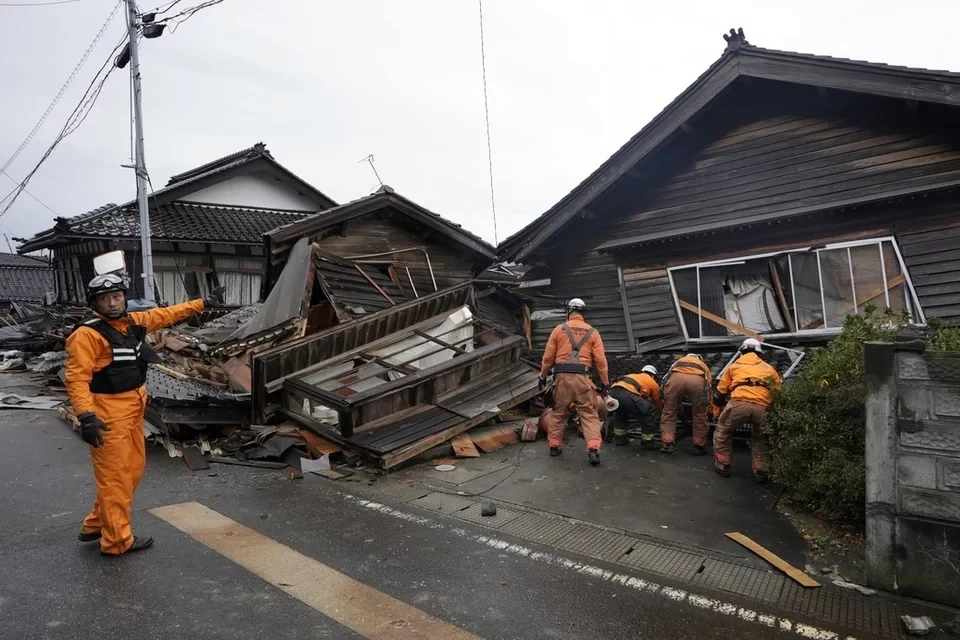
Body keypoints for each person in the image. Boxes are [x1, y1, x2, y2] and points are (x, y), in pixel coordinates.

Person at [65, 273, 224, 556]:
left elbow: (167, 314)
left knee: (133, 471)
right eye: (104, 299)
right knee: (115, 478)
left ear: (124, 297)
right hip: (107, 412)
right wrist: (86, 417)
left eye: (116, 297)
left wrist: (201, 303)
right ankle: (116, 542)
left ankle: (96, 524)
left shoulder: (132, 323)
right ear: (95, 303)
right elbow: (77, 379)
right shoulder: (86, 335)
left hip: (134, 407)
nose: (112, 304)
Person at [538, 298, 608, 466]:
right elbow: (601, 361)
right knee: (589, 415)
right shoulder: (593, 332)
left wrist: (542, 375)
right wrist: (605, 382)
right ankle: (593, 450)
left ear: (568, 311)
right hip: (584, 379)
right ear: (583, 312)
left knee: (559, 412)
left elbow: (548, 357)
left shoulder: (559, 330)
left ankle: (554, 446)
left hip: (562, 378)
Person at [713, 338, 782, 483]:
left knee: (723, 431)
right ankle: (761, 471)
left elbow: (720, 393)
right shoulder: (769, 369)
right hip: (762, 407)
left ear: (742, 351)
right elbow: (778, 393)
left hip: (739, 403)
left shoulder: (735, 366)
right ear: (759, 353)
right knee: (762, 438)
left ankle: (723, 465)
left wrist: (717, 410)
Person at [658, 353, 713, 455]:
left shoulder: (678, 362)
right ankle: (699, 446)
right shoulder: (702, 364)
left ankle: (667, 443)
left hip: (675, 379)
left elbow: (666, 377)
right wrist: (708, 405)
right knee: (699, 414)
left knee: (669, 411)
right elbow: (708, 384)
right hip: (697, 381)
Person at [608, 365, 661, 447]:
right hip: (626, 394)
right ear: (653, 376)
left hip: (612, 392)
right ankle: (648, 441)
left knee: (621, 412)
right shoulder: (652, 381)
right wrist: (659, 413)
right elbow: (656, 401)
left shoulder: (633, 375)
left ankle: (620, 439)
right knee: (650, 410)